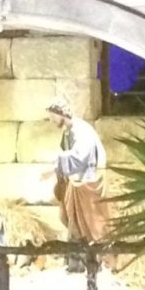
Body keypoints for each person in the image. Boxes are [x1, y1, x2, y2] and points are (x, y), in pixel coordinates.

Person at [47, 97, 110, 242]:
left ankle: (97, 250)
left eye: (52, 116)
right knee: (72, 221)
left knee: (93, 224)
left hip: (87, 183)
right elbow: (65, 153)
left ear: (61, 113)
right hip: (76, 182)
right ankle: (78, 248)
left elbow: (80, 157)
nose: (51, 120)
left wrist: (55, 167)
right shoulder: (68, 131)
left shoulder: (81, 130)